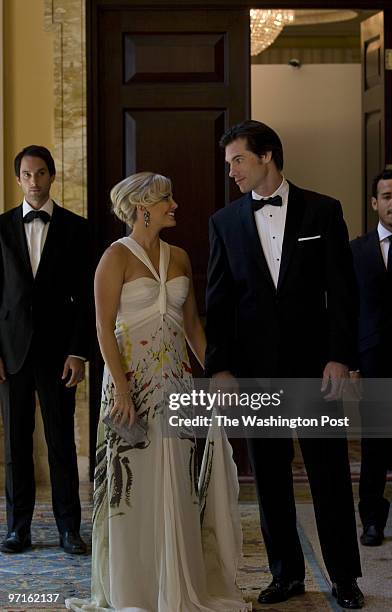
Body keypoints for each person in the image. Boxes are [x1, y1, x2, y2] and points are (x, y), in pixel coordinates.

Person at [66, 172, 250, 611]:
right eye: (166, 198)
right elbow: (103, 329)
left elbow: (192, 329)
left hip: (178, 386)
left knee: (179, 484)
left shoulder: (181, 258)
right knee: (134, 489)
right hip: (133, 386)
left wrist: (217, 373)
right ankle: (136, 589)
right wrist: (123, 392)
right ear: (143, 207)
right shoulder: (114, 258)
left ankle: (179, 584)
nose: (175, 205)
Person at [205, 120, 364, 609]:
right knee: (270, 478)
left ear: (267, 156)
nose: (231, 170)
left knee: (330, 476)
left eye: (238, 160)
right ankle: (286, 575)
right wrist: (220, 368)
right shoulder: (224, 222)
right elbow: (219, 301)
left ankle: (345, 578)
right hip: (254, 371)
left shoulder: (323, 210)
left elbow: (342, 292)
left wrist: (340, 357)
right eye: (230, 161)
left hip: (316, 369)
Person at [0, 145, 91, 554]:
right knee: (17, 444)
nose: (34, 182)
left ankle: (69, 528)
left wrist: (78, 352)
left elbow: (88, 298)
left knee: (60, 443)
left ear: (52, 176)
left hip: (59, 355)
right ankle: (18, 528)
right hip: (12, 352)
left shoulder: (77, 228)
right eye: (26, 174)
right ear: (17, 179)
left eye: (41, 173)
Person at [350, 168, 392, 546]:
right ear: (375, 203)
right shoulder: (356, 251)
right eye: (387, 196)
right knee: (375, 445)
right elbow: (346, 310)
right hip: (373, 361)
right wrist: (351, 363)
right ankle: (372, 518)